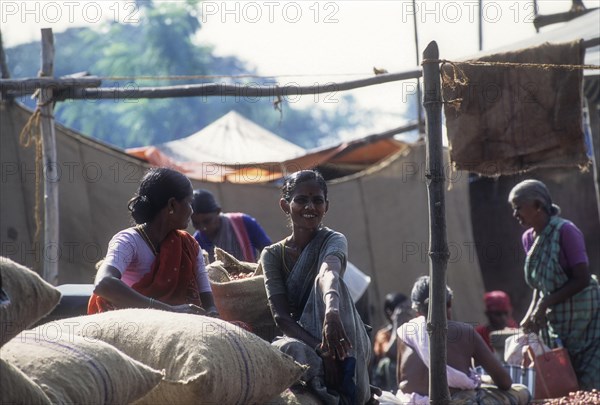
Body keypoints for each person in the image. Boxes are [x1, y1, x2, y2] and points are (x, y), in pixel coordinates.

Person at [260, 170, 375, 405]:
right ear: (285, 205)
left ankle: (351, 382)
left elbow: (328, 272)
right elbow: (281, 317)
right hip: (305, 339)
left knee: (334, 285)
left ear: (326, 205)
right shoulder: (272, 255)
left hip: (341, 333)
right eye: (301, 199)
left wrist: (331, 313)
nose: (310, 207)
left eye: (317, 200)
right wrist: (322, 350)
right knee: (287, 349)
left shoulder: (333, 239)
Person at [88, 168, 219, 317]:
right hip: (135, 324)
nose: (191, 211)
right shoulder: (128, 241)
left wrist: (212, 313)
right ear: (172, 205)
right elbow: (103, 284)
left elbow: (207, 300)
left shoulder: (189, 245)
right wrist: (169, 310)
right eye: (189, 203)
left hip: (181, 325)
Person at [508, 179, 600, 390]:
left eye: (518, 208)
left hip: (587, 319)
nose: (515, 214)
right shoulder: (528, 239)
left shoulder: (566, 231)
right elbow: (539, 284)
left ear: (538, 206)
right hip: (557, 322)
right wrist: (530, 314)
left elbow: (582, 278)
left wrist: (544, 304)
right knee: (564, 383)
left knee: (591, 383)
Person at [393, 275, 530, 404]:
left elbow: (401, 381)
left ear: (417, 310)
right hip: (454, 401)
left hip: (409, 402)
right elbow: (505, 382)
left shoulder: (404, 333)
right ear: (449, 303)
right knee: (522, 391)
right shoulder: (465, 332)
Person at [191, 189, 271, 263]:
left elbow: (268, 250)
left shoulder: (243, 222)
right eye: (196, 223)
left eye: (207, 221)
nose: (202, 227)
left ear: (218, 211)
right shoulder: (196, 241)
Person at [372, 293, 415, 392]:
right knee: (389, 363)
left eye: (409, 308)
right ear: (390, 312)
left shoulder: (414, 330)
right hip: (389, 381)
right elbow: (391, 353)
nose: (408, 312)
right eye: (403, 309)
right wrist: (397, 323)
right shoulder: (383, 334)